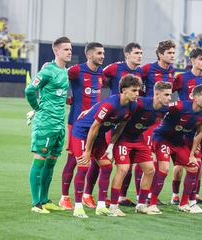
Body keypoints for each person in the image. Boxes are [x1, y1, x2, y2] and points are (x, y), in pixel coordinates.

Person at [70, 74, 142, 218]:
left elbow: (121, 126)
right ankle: (78, 207)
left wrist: (110, 147)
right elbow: (94, 127)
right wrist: (87, 152)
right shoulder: (110, 105)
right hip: (83, 133)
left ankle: (101, 206)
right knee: (83, 166)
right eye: (134, 90)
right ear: (124, 90)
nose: (137, 94)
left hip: (100, 136)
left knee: (107, 166)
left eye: (138, 90)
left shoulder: (132, 105)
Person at [109, 81, 172, 216]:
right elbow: (117, 108)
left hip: (138, 139)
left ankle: (141, 205)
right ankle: (113, 206)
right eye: (166, 95)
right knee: (123, 169)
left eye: (170, 94)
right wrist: (111, 144)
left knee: (150, 169)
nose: (170, 98)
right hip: (123, 139)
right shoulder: (140, 103)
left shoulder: (165, 109)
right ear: (157, 94)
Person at [25, 36, 72, 214]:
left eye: (70, 49)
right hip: (45, 124)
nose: (69, 52)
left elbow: (57, 94)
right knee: (40, 160)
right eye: (66, 49)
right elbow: (30, 90)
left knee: (51, 163)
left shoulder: (65, 72)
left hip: (59, 124)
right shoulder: (47, 71)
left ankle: (45, 199)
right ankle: (36, 203)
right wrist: (37, 108)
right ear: (56, 51)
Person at [150, 84, 202, 214]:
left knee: (193, 166)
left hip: (178, 142)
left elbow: (200, 132)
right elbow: (158, 109)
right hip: (162, 138)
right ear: (194, 97)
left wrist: (192, 153)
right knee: (164, 168)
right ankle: (152, 203)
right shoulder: (179, 106)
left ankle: (183, 204)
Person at [58, 42, 105, 210]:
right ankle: (64, 197)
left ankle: (87, 195)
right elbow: (59, 79)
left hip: (95, 124)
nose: (102, 56)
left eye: (103, 53)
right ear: (89, 55)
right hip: (76, 124)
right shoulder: (76, 70)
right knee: (74, 160)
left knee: (97, 161)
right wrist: (67, 99)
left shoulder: (101, 72)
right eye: (99, 53)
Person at [101, 42, 143, 206]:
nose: (139, 55)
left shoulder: (141, 72)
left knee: (128, 162)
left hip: (129, 119)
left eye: (140, 53)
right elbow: (99, 79)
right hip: (112, 118)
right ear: (127, 54)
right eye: (136, 53)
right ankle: (90, 195)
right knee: (104, 160)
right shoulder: (115, 68)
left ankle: (121, 196)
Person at [171, 47, 202, 205]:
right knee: (180, 164)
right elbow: (168, 92)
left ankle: (195, 194)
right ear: (192, 60)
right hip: (181, 125)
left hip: (198, 124)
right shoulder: (181, 78)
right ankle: (175, 194)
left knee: (198, 161)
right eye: (201, 59)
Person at [141, 39, 176, 205]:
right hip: (147, 118)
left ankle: (149, 196)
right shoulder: (148, 69)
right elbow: (136, 86)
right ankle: (140, 195)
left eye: (173, 53)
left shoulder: (172, 71)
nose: (172, 56)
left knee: (159, 160)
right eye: (169, 53)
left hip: (163, 120)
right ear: (160, 54)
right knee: (145, 158)